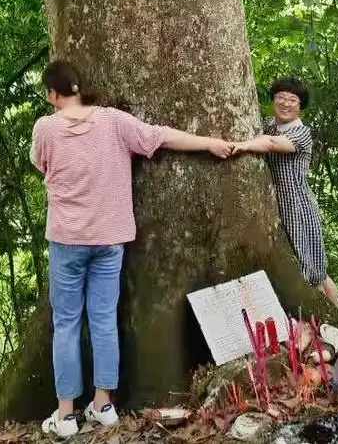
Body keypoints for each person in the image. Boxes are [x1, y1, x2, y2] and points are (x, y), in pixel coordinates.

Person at [30, 59, 234, 439]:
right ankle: (104, 404)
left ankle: (66, 415)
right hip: (110, 239)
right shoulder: (114, 121)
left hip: (68, 240)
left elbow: (40, 164)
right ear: (80, 87)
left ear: (52, 94)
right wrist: (210, 143)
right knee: (104, 318)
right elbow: (161, 136)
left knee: (67, 324)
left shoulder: (46, 127)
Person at [231, 75, 338, 312]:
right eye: (280, 97)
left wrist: (243, 145)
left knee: (313, 271)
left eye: (292, 100)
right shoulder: (268, 124)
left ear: (300, 106)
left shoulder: (301, 133)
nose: (285, 103)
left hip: (297, 206)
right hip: (274, 205)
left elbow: (272, 144)